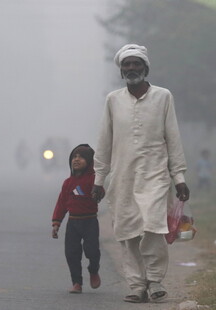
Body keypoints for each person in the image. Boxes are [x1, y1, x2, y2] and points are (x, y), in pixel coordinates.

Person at [91, 44, 190, 303]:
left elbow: (173, 137)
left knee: (154, 227)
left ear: (146, 68)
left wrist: (178, 177)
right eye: (127, 64)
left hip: (156, 176)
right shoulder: (113, 100)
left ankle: (155, 279)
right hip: (122, 178)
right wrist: (99, 180)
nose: (132, 68)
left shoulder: (163, 96)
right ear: (121, 70)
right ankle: (136, 285)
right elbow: (104, 142)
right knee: (128, 232)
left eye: (136, 63)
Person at [51, 144, 103, 294]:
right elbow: (61, 204)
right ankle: (76, 283)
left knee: (92, 250)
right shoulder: (68, 183)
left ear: (90, 161)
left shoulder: (94, 179)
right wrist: (56, 223)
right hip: (73, 222)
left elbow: (101, 191)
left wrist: (98, 192)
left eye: (81, 157)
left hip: (90, 221)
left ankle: (93, 270)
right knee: (71, 253)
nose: (77, 159)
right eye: (74, 156)